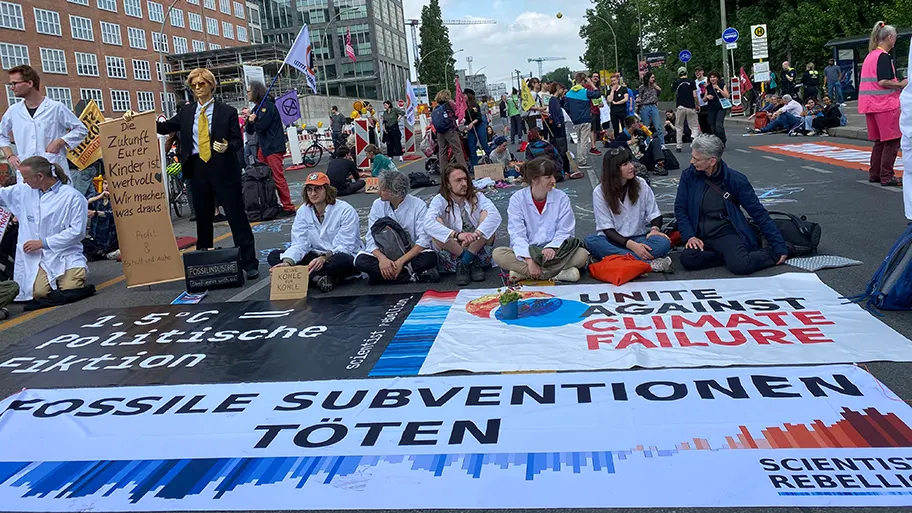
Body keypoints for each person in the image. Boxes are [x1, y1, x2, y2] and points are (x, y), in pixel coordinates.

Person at [151, 68, 259, 279]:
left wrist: (227, 145)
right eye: (193, 85)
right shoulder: (186, 112)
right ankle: (203, 260)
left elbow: (238, 141)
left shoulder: (226, 111)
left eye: (201, 84)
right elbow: (164, 128)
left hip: (223, 168)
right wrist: (136, 119)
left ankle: (249, 262)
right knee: (203, 217)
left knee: (236, 216)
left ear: (211, 85)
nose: (197, 88)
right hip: (197, 168)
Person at [674, 135, 788, 275]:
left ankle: (767, 253)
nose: (691, 162)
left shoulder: (735, 180)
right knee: (688, 259)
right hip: (702, 234)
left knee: (740, 266)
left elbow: (758, 213)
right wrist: (690, 236)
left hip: (726, 233)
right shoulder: (688, 176)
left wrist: (778, 246)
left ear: (712, 161)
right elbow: (680, 208)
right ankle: (728, 256)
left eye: (696, 159)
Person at [0, 156, 89, 301]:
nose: (23, 181)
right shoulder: (24, 191)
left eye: (26, 177)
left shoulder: (72, 197)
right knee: (39, 294)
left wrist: (43, 243)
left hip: (65, 253)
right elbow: (2, 195)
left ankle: (75, 274)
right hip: (41, 258)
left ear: (40, 176)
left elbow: (77, 232)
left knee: (70, 288)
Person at [492, 156, 589, 282]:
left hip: (554, 253)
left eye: (553, 176)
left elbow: (565, 230)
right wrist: (529, 260)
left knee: (582, 254)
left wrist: (552, 247)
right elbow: (517, 234)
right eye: (548, 177)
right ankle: (556, 274)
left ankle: (525, 273)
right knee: (498, 254)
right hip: (529, 250)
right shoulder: (517, 199)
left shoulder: (561, 197)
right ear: (534, 180)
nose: (553, 180)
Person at [268, 172, 362, 292]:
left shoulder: (345, 210)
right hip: (315, 255)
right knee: (275, 256)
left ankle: (309, 276)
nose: (313, 193)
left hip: (336, 255)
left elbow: (346, 245)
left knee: (341, 261)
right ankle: (320, 278)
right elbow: (299, 243)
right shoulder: (303, 211)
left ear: (327, 190)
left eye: (318, 189)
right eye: (309, 190)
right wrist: (288, 262)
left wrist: (324, 258)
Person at [584, 147, 672, 272]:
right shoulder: (600, 191)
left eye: (630, 162)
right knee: (591, 241)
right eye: (625, 164)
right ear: (614, 170)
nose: (632, 167)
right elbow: (607, 229)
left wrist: (654, 229)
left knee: (663, 242)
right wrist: (632, 246)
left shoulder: (641, 184)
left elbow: (655, 214)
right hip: (613, 240)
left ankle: (616, 259)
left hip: (640, 237)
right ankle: (649, 264)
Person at [0, 65, 87, 184]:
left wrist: (60, 141)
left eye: (15, 83)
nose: (12, 88)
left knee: (59, 200)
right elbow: (1, 135)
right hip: (26, 172)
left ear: (30, 83)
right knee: (29, 200)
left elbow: (81, 129)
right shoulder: (13, 111)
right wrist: (10, 156)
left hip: (53, 168)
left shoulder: (55, 108)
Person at [355, 170, 439, 284]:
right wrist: (382, 259)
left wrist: (400, 262)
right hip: (385, 255)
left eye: (383, 190)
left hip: (409, 256)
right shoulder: (377, 204)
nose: (378, 192)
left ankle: (384, 277)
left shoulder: (418, 205)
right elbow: (371, 237)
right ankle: (408, 275)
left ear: (396, 192)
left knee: (430, 257)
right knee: (360, 261)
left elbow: (423, 241)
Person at [424, 164, 502, 285]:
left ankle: (466, 260)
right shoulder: (439, 200)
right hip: (454, 249)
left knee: (488, 217)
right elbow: (428, 223)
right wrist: (457, 235)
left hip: (476, 245)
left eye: (465, 179)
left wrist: (476, 234)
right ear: (448, 184)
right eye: (458, 180)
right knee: (435, 226)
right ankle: (468, 259)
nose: (464, 183)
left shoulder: (478, 197)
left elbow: (495, 216)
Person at [859, 21, 906, 187]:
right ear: (889, 37)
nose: (895, 41)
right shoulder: (883, 57)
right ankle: (887, 175)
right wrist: (902, 84)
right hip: (884, 104)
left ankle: (875, 174)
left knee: (879, 141)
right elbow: (884, 81)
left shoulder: (870, 56)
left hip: (870, 104)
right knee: (892, 141)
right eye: (895, 38)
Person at [245, 81, 296, 216]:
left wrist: (254, 121)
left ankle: (288, 206)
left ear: (256, 91)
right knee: (266, 177)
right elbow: (250, 130)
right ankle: (271, 203)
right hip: (263, 147)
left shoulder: (268, 106)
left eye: (249, 91)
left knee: (277, 177)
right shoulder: (257, 108)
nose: (247, 94)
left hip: (272, 146)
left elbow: (262, 126)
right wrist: (250, 121)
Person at [566, 73, 603, 170]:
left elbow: (566, 107)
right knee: (584, 141)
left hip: (575, 120)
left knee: (578, 140)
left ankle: (580, 158)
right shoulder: (585, 92)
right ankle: (582, 161)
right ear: (583, 81)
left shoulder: (569, 93)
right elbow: (597, 94)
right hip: (585, 118)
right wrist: (592, 84)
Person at [82, 179, 119, 261]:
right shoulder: (97, 197)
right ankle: (103, 254)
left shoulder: (118, 199)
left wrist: (96, 213)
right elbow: (83, 202)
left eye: (109, 184)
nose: (106, 186)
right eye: (105, 183)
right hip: (96, 238)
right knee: (81, 241)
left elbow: (112, 213)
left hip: (109, 238)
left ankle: (100, 254)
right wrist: (100, 196)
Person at [431, 90, 468, 168]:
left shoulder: (436, 108)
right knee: (457, 151)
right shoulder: (450, 104)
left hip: (440, 132)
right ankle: (464, 171)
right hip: (450, 130)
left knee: (442, 152)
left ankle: (444, 174)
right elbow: (458, 113)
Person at [672, 66, 700, 153]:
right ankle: (694, 137)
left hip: (680, 107)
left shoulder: (676, 83)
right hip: (691, 107)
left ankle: (678, 146)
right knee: (694, 126)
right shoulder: (691, 82)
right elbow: (695, 95)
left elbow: (675, 93)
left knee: (679, 127)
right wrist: (697, 104)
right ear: (686, 73)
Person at [463, 88, 492, 167]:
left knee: (484, 144)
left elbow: (479, 117)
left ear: (468, 95)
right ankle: (474, 166)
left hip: (478, 125)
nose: (463, 96)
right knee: (471, 147)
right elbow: (464, 118)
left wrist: (472, 123)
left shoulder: (476, 105)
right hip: (470, 128)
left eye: (464, 95)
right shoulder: (463, 106)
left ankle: (492, 161)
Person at [638, 71, 665, 145]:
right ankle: (647, 143)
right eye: (652, 77)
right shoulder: (642, 87)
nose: (653, 79)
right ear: (648, 78)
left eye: (654, 78)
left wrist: (657, 87)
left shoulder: (655, 87)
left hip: (653, 106)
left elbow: (659, 93)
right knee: (646, 127)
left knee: (658, 126)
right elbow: (640, 97)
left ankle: (662, 143)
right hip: (645, 106)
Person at [703, 72, 730, 144]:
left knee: (719, 124)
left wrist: (718, 88)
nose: (712, 79)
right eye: (711, 77)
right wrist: (707, 97)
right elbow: (704, 99)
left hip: (721, 107)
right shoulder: (708, 87)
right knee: (712, 126)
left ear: (717, 78)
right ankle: (717, 141)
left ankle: (723, 139)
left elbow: (727, 96)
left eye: (714, 77)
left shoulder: (721, 85)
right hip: (711, 108)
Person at [608, 74, 629, 138]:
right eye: (612, 81)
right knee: (615, 128)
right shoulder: (609, 91)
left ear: (618, 80)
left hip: (622, 111)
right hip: (614, 112)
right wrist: (612, 90)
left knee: (624, 128)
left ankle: (625, 141)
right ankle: (617, 142)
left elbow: (626, 98)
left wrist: (617, 103)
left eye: (614, 80)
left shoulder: (623, 89)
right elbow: (609, 100)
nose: (613, 82)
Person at [694, 67, 712, 135]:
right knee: (702, 124)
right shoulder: (694, 82)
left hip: (708, 104)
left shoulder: (707, 79)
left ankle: (712, 136)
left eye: (699, 71)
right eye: (696, 72)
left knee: (709, 122)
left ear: (703, 72)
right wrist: (696, 104)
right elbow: (694, 94)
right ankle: (706, 137)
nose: (697, 73)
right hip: (700, 105)